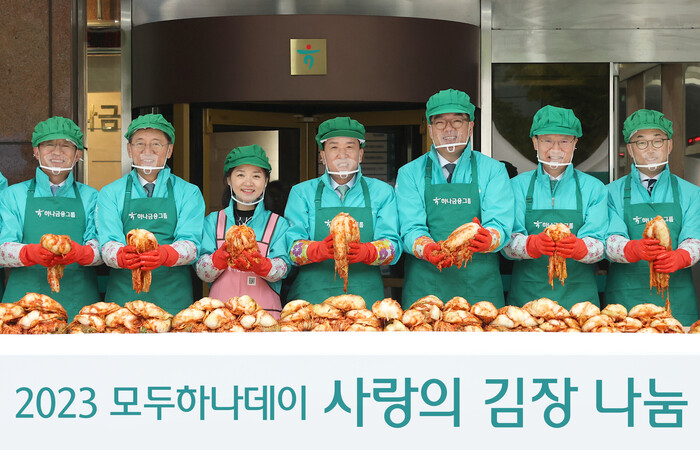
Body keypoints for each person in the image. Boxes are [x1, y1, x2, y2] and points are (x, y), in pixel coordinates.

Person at [396, 89, 514, 307]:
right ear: (430, 128)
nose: (449, 129)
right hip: (426, 288)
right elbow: (410, 227)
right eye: (440, 122)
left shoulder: (493, 170)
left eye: (457, 121)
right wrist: (426, 248)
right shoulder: (409, 173)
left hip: (480, 289)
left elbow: (500, 222)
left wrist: (490, 238)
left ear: (471, 126)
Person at [285, 117, 401, 304]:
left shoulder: (382, 192)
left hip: (366, 301)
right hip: (313, 300)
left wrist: (368, 252)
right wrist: (318, 250)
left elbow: (394, 248)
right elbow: (291, 250)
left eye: (349, 147)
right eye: (334, 147)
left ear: (360, 154)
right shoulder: (302, 193)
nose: (342, 154)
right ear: (322, 156)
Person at [96, 114, 205, 314]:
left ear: (169, 150)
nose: (147, 151)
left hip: (173, 300)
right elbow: (107, 243)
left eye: (156, 144)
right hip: (123, 302)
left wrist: (166, 254)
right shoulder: (110, 193)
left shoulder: (189, 192)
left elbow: (191, 244)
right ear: (129, 149)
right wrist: (120, 256)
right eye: (140, 144)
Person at [503, 105, 607, 307]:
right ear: (535, 142)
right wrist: (531, 245)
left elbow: (601, 245)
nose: (556, 149)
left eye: (564, 141)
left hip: (579, 303)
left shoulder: (594, 188)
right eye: (547, 140)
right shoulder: (516, 187)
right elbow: (506, 243)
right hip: (527, 301)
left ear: (575, 143)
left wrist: (580, 248)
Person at [605, 109, 700, 325]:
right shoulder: (610, 193)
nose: (650, 149)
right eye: (641, 142)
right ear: (630, 149)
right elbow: (609, 241)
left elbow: (694, 239)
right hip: (625, 304)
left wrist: (681, 256)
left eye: (658, 141)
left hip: (676, 304)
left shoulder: (692, 193)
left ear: (670, 145)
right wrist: (632, 249)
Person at [0, 117, 101, 317]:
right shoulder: (12, 195)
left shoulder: (92, 197)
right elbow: (2, 249)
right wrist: (30, 253)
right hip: (22, 309)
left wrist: (81, 253)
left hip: (79, 308)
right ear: (36, 151)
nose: (57, 151)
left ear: (78, 154)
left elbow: (102, 250)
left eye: (66, 145)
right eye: (49, 144)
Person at [195, 145, 291, 318]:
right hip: (221, 317)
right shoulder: (212, 222)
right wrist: (221, 256)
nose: (248, 182)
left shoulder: (279, 224)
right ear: (229, 180)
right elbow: (203, 272)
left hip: (265, 317)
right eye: (240, 175)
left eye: (256, 176)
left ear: (266, 181)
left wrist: (260, 264)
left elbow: (283, 269)